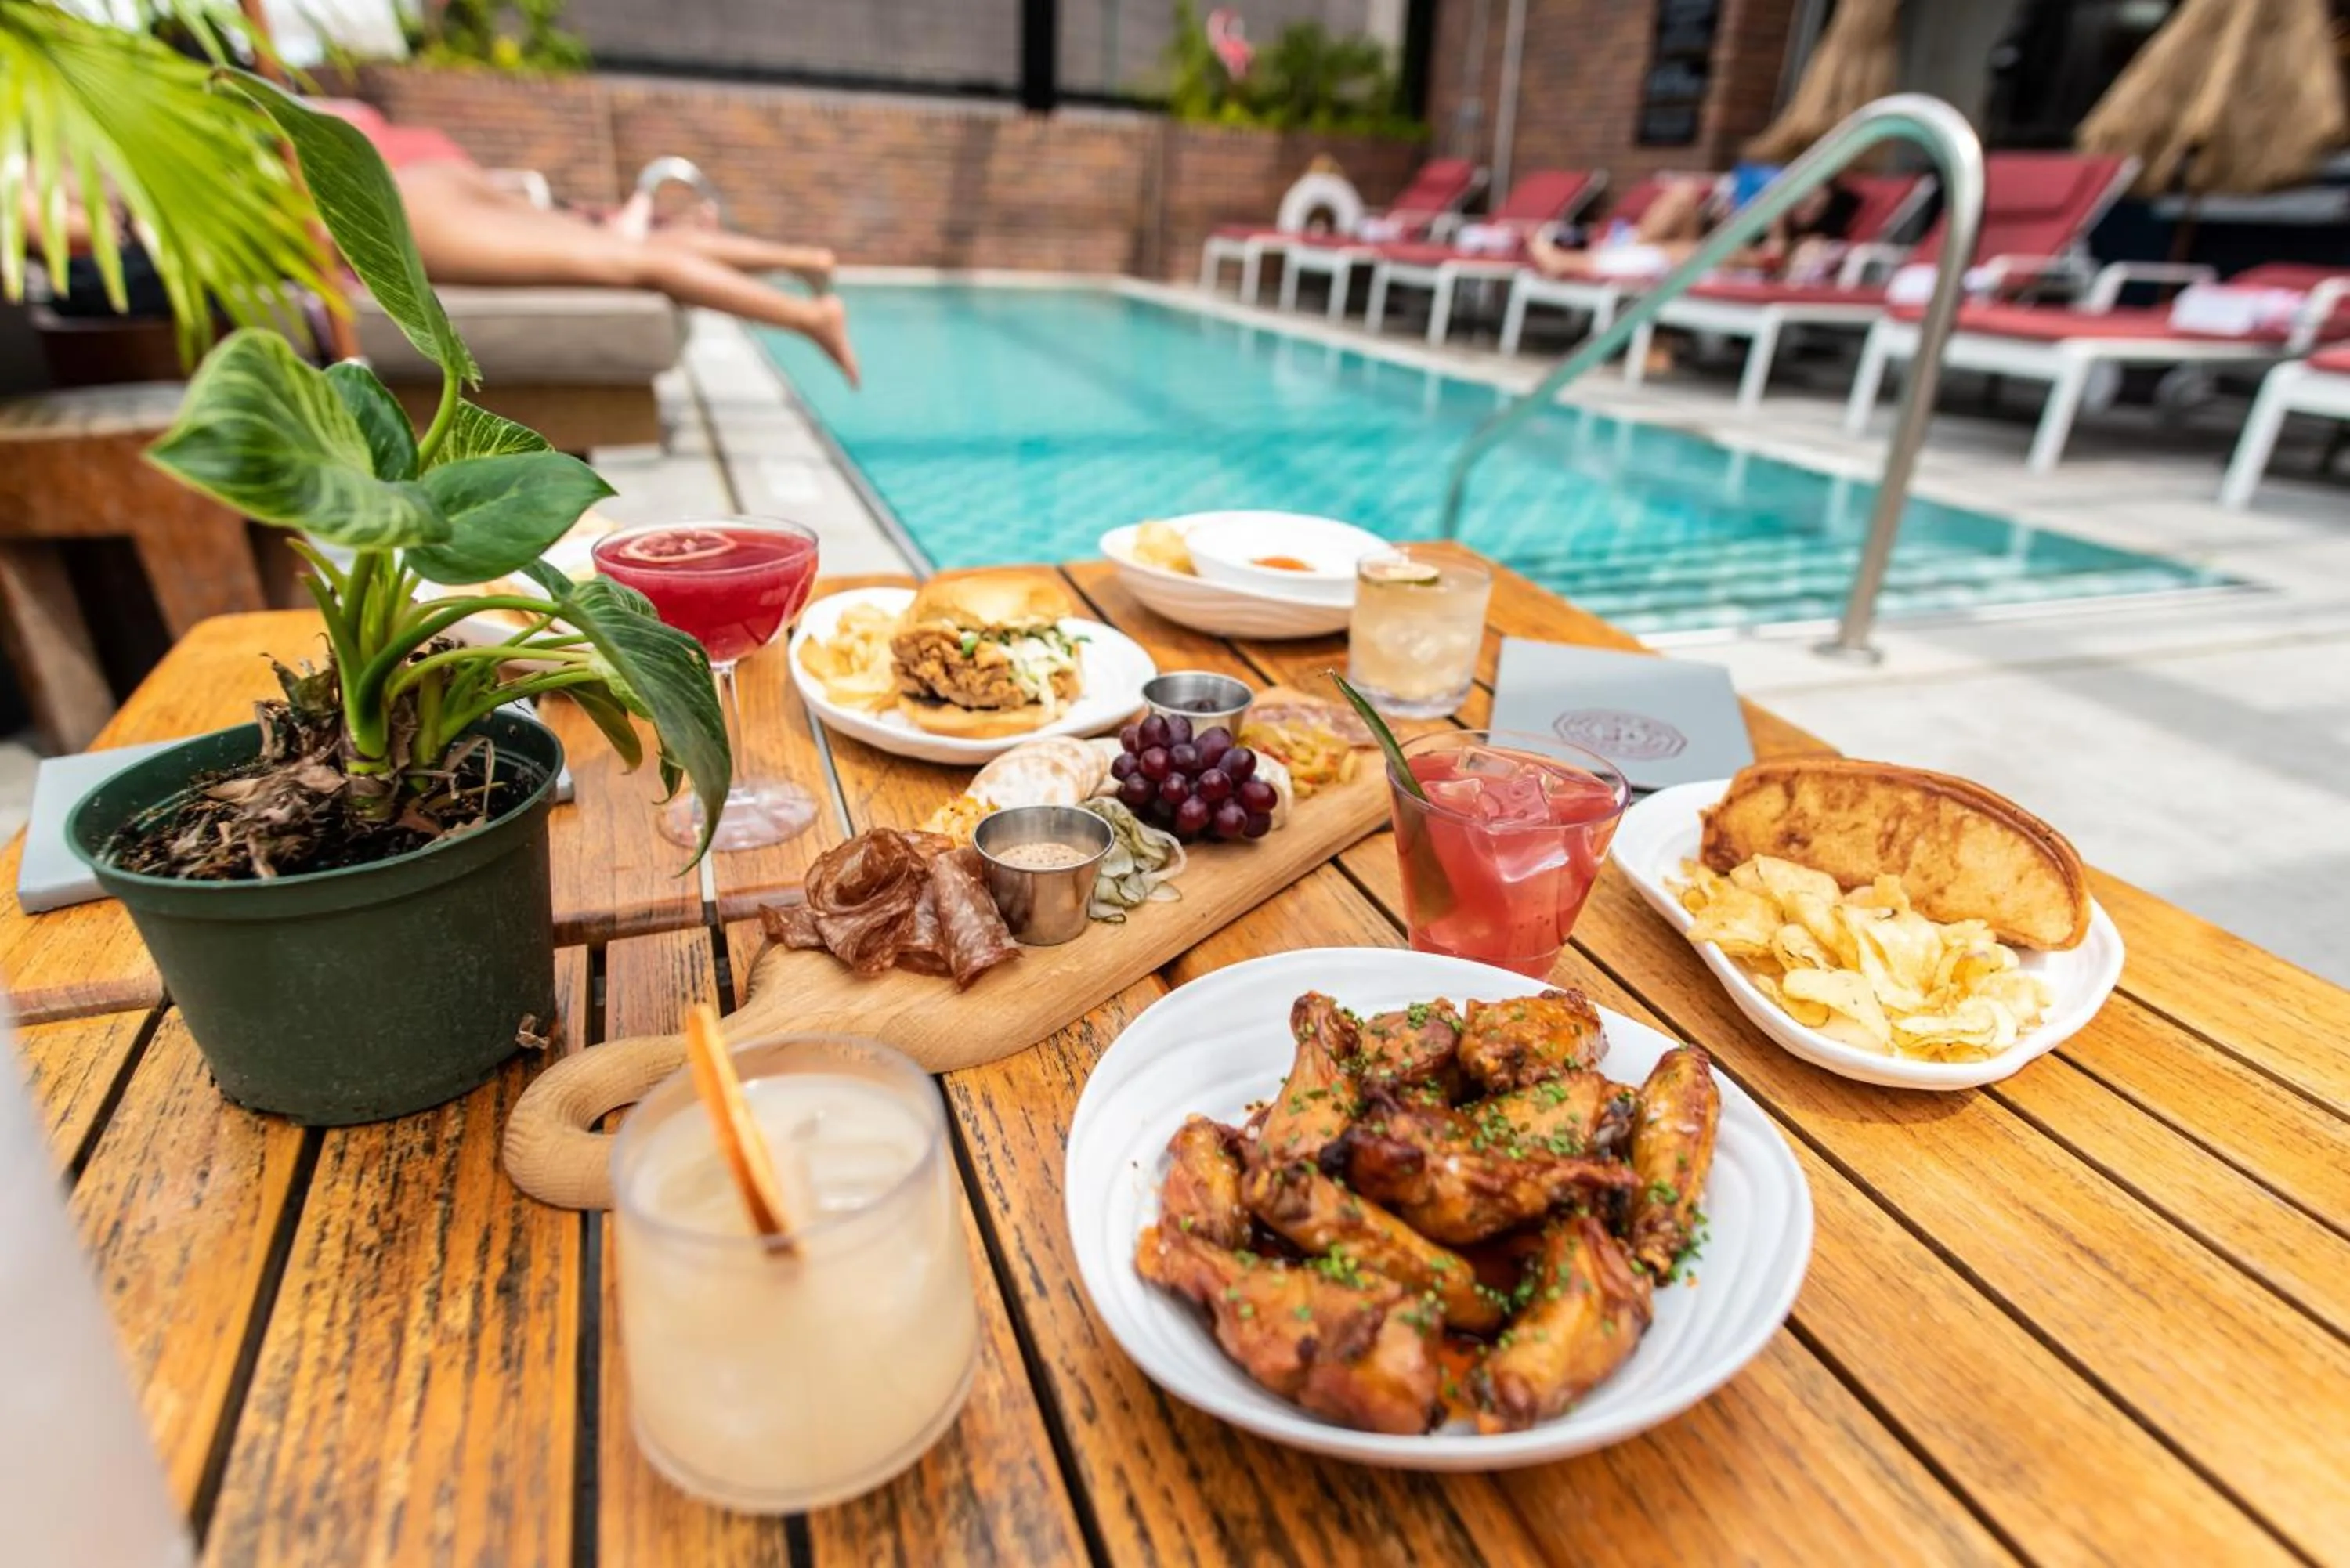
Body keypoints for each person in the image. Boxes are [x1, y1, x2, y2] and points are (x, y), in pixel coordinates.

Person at [391, 160, 860, 388]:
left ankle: (809, 315)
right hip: (424, 182)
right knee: (634, 248)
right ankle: (805, 266)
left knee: (635, 257)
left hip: (411, 210)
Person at [1526, 173, 1861, 284]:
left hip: (1737, 269)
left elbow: (1781, 269)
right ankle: (1618, 251)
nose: (1805, 209)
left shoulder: (1814, 240)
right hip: (1706, 256)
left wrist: (1777, 234)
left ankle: (1573, 261)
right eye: (1803, 199)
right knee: (1684, 193)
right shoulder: (1769, 209)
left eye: (1815, 207)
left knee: (1696, 252)